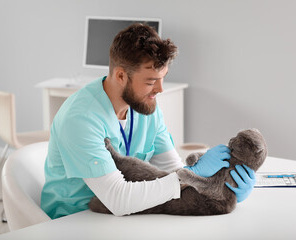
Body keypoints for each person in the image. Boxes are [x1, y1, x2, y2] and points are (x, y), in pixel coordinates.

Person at [41, 23, 256, 219]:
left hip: (123, 214)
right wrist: (193, 175)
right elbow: (118, 199)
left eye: (162, 78)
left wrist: (225, 189)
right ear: (121, 76)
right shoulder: (82, 118)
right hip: (75, 219)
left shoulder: (147, 111)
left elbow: (173, 174)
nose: (160, 89)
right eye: (151, 81)